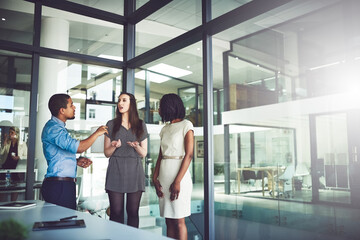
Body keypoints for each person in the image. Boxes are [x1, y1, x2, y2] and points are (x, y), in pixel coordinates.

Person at [41, 93, 108, 210]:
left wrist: (75, 161)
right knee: (61, 225)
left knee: (66, 224)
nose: (74, 107)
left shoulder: (58, 127)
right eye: (71, 105)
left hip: (63, 185)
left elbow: (59, 154)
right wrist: (97, 133)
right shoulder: (54, 129)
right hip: (59, 186)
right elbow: (79, 147)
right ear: (62, 110)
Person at [152, 93, 194, 240]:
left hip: (179, 178)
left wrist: (177, 181)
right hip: (164, 176)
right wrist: (154, 177)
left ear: (169, 107)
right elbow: (160, 155)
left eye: (160, 107)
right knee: (168, 219)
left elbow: (189, 155)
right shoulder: (164, 129)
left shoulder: (187, 125)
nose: (158, 111)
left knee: (179, 220)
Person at [104, 92, 148, 228]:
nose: (120, 103)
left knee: (133, 212)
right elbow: (106, 152)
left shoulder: (140, 124)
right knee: (116, 212)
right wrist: (114, 146)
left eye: (124, 100)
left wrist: (136, 147)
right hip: (115, 169)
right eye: (119, 100)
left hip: (134, 170)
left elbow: (144, 153)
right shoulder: (111, 124)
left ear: (131, 104)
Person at [0, 126, 27, 201]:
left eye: (12, 132)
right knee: (2, 185)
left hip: (16, 167)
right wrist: (5, 141)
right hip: (6, 166)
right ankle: (1, 203)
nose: (10, 134)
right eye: (9, 132)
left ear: (16, 133)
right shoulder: (7, 142)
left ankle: (13, 201)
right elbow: (1, 153)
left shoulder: (22, 144)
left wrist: (18, 157)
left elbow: (26, 155)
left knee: (16, 185)